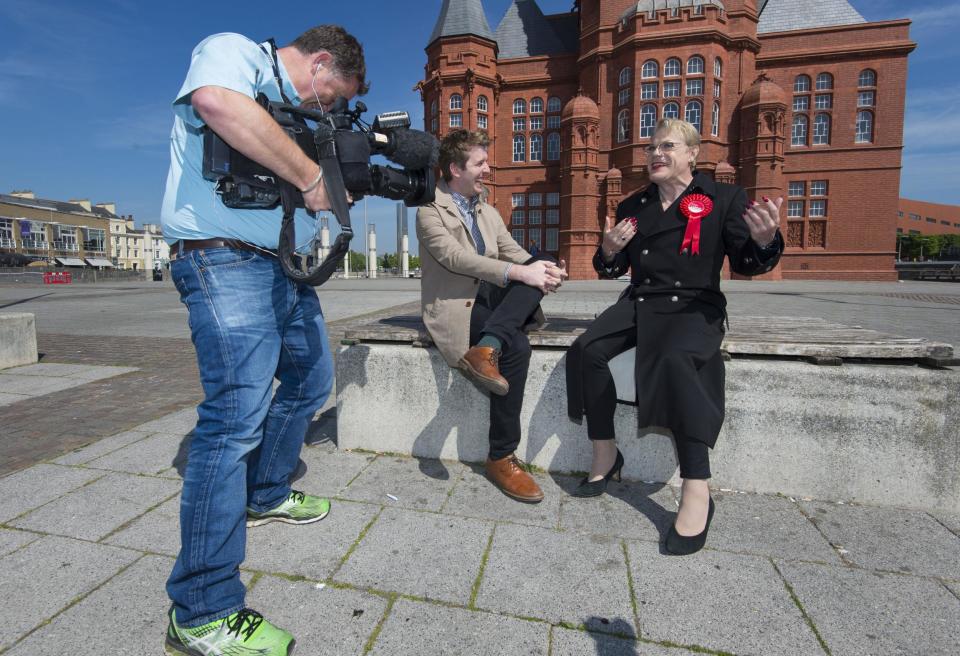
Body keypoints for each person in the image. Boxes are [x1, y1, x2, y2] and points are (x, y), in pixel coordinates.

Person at [160, 26, 367, 655]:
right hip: (221, 261)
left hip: (274, 264)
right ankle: (201, 610)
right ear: (320, 61)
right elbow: (216, 103)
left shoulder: (286, 119)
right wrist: (309, 178)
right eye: (328, 96)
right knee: (232, 422)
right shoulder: (236, 52)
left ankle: (266, 492)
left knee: (312, 377)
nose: (321, 110)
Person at [566, 118, 784, 555]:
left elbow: (746, 261)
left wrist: (763, 242)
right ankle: (606, 453)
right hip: (642, 299)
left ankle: (697, 487)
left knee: (675, 358)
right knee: (585, 349)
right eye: (651, 148)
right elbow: (609, 267)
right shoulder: (634, 205)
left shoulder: (723, 198)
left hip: (694, 303)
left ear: (691, 154)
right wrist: (608, 250)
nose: (655, 154)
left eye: (667, 146)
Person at [417, 129, 568, 503]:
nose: (488, 168)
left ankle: (486, 347)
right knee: (517, 347)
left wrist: (545, 268)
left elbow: (513, 252)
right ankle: (501, 457)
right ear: (455, 168)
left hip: (490, 304)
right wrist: (521, 273)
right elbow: (456, 258)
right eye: (480, 162)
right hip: (456, 305)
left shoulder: (487, 209)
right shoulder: (428, 210)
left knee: (532, 276)